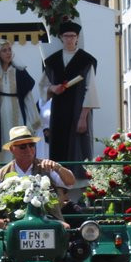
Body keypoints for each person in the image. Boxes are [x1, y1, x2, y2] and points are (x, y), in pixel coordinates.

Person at [0, 126, 75, 230]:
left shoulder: (47, 166)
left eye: (32, 145)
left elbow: (70, 182)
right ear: (12, 149)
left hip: (46, 218)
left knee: (65, 227)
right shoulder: (0, 175)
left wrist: (58, 167)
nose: (29, 149)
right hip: (11, 221)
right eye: (23, 146)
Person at [40, 21, 99, 177]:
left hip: (78, 111)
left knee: (78, 147)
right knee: (59, 148)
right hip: (59, 112)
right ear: (61, 37)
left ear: (77, 38)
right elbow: (42, 86)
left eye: (72, 36)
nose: (69, 39)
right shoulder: (52, 62)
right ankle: (59, 183)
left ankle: (79, 183)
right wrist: (53, 88)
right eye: (66, 36)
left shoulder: (86, 60)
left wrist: (83, 117)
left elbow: (90, 90)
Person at [0, 40, 43, 167]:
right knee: (1, 149)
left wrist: (33, 119)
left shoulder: (20, 71)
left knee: (18, 143)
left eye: (9, 49)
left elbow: (28, 97)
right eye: (4, 50)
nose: (8, 53)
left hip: (17, 113)